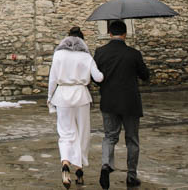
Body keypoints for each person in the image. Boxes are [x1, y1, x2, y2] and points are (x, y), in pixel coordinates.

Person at [93, 19, 150, 188]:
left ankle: (106, 164)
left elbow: (95, 78)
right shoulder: (133, 53)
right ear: (125, 34)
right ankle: (131, 176)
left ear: (110, 33)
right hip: (130, 102)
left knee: (109, 137)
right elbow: (145, 75)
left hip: (109, 101)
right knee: (132, 139)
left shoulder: (100, 52)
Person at [48, 26, 103, 188]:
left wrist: (50, 98)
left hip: (63, 95)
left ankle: (65, 162)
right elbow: (98, 78)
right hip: (81, 96)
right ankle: (79, 169)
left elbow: (52, 79)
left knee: (65, 132)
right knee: (82, 132)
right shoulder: (86, 56)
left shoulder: (58, 55)